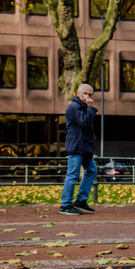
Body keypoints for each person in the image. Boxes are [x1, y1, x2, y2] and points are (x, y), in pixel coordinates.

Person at [59, 84, 98, 215]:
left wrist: (89, 108)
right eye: (85, 94)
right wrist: (91, 108)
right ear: (78, 93)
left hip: (84, 147)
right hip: (76, 146)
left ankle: (81, 200)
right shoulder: (74, 107)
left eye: (90, 94)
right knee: (73, 175)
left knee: (92, 170)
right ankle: (65, 205)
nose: (88, 96)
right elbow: (84, 122)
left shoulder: (83, 107)